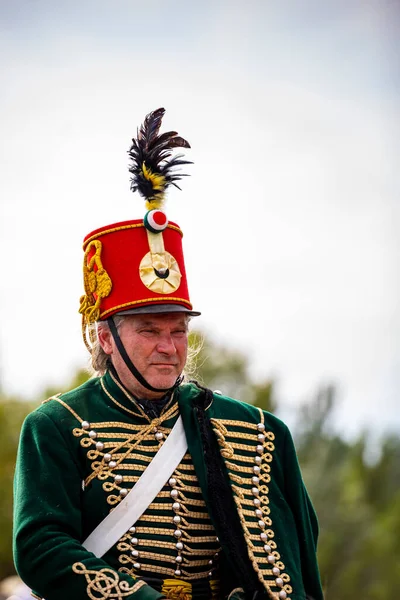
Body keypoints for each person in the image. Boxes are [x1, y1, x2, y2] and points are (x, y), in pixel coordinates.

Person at [13, 108, 324, 600]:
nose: (168, 346)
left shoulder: (255, 431)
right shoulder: (55, 425)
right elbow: (39, 545)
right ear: (107, 336)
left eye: (178, 330)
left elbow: (295, 553)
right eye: (149, 329)